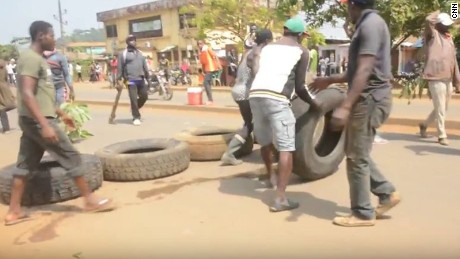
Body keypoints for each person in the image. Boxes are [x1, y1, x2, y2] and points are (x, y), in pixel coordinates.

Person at [5, 21, 115, 226]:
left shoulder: (36, 59)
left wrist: (61, 113)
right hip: (39, 121)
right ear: (40, 36)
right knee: (71, 156)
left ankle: (13, 212)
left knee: (24, 165)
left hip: (36, 119)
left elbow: (41, 95)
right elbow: (27, 94)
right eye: (51, 35)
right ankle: (90, 202)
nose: (54, 39)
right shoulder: (30, 59)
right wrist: (45, 125)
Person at [310, 0, 400, 227]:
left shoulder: (369, 25)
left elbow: (365, 69)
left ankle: (362, 213)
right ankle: (387, 193)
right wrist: (329, 80)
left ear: (353, 5)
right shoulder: (370, 23)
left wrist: (346, 105)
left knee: (356, 158)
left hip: (368, 100)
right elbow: (356, 70)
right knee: (356, 151)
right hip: (368, 97)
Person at [249, 18, 319, 212]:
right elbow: (300, 87)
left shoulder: (267, 48)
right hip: (276, 99)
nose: (303, 40)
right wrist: (315, 105)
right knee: (286, 148)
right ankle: (281, 199)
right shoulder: (301, 51)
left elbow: (257, 71)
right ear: (299, 35)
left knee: (264, 141)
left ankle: (271, 177)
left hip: (255, 95)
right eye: (303, 37)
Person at [221, 29, 273, 166]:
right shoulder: (257, 54)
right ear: (267, 41)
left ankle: (233, 151)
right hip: (245, 92)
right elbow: (257, 73)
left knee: (249, 123)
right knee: (253, 124)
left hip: (238, 90)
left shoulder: (248, 52)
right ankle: (229, 154)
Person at [419, 11, 460, 146]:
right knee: (440, 107)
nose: (448, 27)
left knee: (442, 107)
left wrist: (457, 81)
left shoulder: (449, 38)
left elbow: (453, 60)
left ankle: (424, 124)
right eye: (445, 25)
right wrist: (438, 10)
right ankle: (441, 135)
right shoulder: (432, 36)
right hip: (435, 77)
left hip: (448, 77)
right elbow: (428, 19)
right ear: (438, 25)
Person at [117, 34, 150, 126]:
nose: (133, 41)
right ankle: (136, 117)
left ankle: (134, 108)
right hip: (130, 79)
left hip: (141, 78)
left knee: (144, 96)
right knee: (133, 98)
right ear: (127, 42)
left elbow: (145, 66)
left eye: (134, 40)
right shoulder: (123, 54)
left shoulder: (140, 53)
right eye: (131, 40)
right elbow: (120, 68)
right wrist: (118, 80)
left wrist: (148, 77)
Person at [198, 40, 222, 105]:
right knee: (207, 83)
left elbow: (214, 56)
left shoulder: (207, 49)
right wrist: (203, 71)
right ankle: (210, 99)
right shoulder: (202, 51)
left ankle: (210, 100)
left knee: (206, 83)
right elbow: (203, 63)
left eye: (201, 43)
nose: (200, 45)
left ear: (204, 44)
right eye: (199, 44)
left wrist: (218, 65)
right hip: (207, 70)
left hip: (211, 68)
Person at [0, 59, 12, 134]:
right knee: (2, 108)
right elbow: (6, 78)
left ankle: (6, 128)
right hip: (3, 88)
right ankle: (6, 128)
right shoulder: (4, 68)